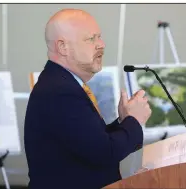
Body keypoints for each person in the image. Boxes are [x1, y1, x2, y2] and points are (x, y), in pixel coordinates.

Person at [24, 8, 152, 189]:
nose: (102, 44)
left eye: (99, 37)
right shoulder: (61, 91)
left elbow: (89, 142)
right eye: (91, 39)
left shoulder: (62, 83)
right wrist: (134, 121)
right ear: (63, 47)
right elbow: (103, 153)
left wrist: (124, 120)